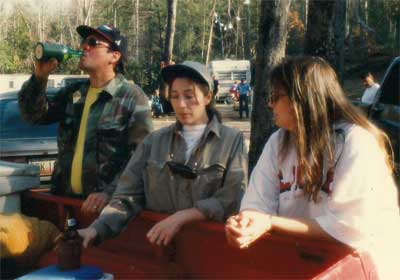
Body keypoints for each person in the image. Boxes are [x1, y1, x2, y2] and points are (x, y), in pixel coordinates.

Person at [225, 56, 400, 280]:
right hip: (304, 264)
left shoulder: (356, 142)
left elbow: (348, 228)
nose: (270, 104)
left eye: (276, 96)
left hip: (363, 269)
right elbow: (256, 203)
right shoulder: (278, 142)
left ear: (304, 100)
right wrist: (244, 224)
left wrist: (268, 223)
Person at [77, 61, 248, 248]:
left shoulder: (231, 141)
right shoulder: (154, 142)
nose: (181, 104)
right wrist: (95, 229)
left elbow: (232, 196)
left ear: (207, 97)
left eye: (189, 96)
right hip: (159, 250)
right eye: (175, 96)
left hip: (208, 251)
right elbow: (127, 196)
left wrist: (183, 217)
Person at [18, 24, 153, 214]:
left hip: (105, 210)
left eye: (92, 42)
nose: (83, 47)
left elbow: (141, 158)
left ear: (114, 56)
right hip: (66, 204)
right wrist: (40, 77)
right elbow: (33, 115)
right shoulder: (74, 93)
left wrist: (109, 193)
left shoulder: (131, 98)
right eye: (84, 42)